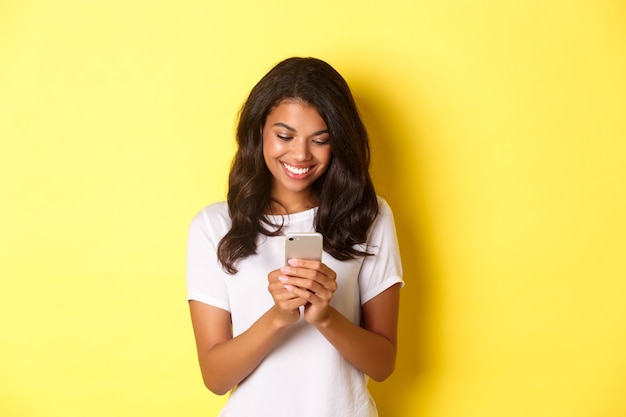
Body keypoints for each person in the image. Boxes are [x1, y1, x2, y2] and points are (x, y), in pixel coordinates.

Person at [186, 57, 403, 417]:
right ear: (259, 131)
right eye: (284, 136)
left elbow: (383, 365)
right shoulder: (213, 226)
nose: (300, 155)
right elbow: (215, 377)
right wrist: (278, 317)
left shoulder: (370, 216)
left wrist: (325, 317)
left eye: (320, 140)